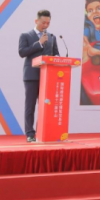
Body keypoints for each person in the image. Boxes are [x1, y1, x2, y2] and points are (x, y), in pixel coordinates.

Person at [18, 9, 59, 142]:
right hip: (31, 76)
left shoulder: (52, 37)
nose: (45, 25)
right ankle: (30, 134)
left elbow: (55, 54)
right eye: (43, 23)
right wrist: (39, 43)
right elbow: (22, 52)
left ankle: (43, 132)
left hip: (47, 76)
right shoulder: (26, 35)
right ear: (36, 21)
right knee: (30, 106)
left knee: (46, 106)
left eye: (48, 23)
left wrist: (58, 58)